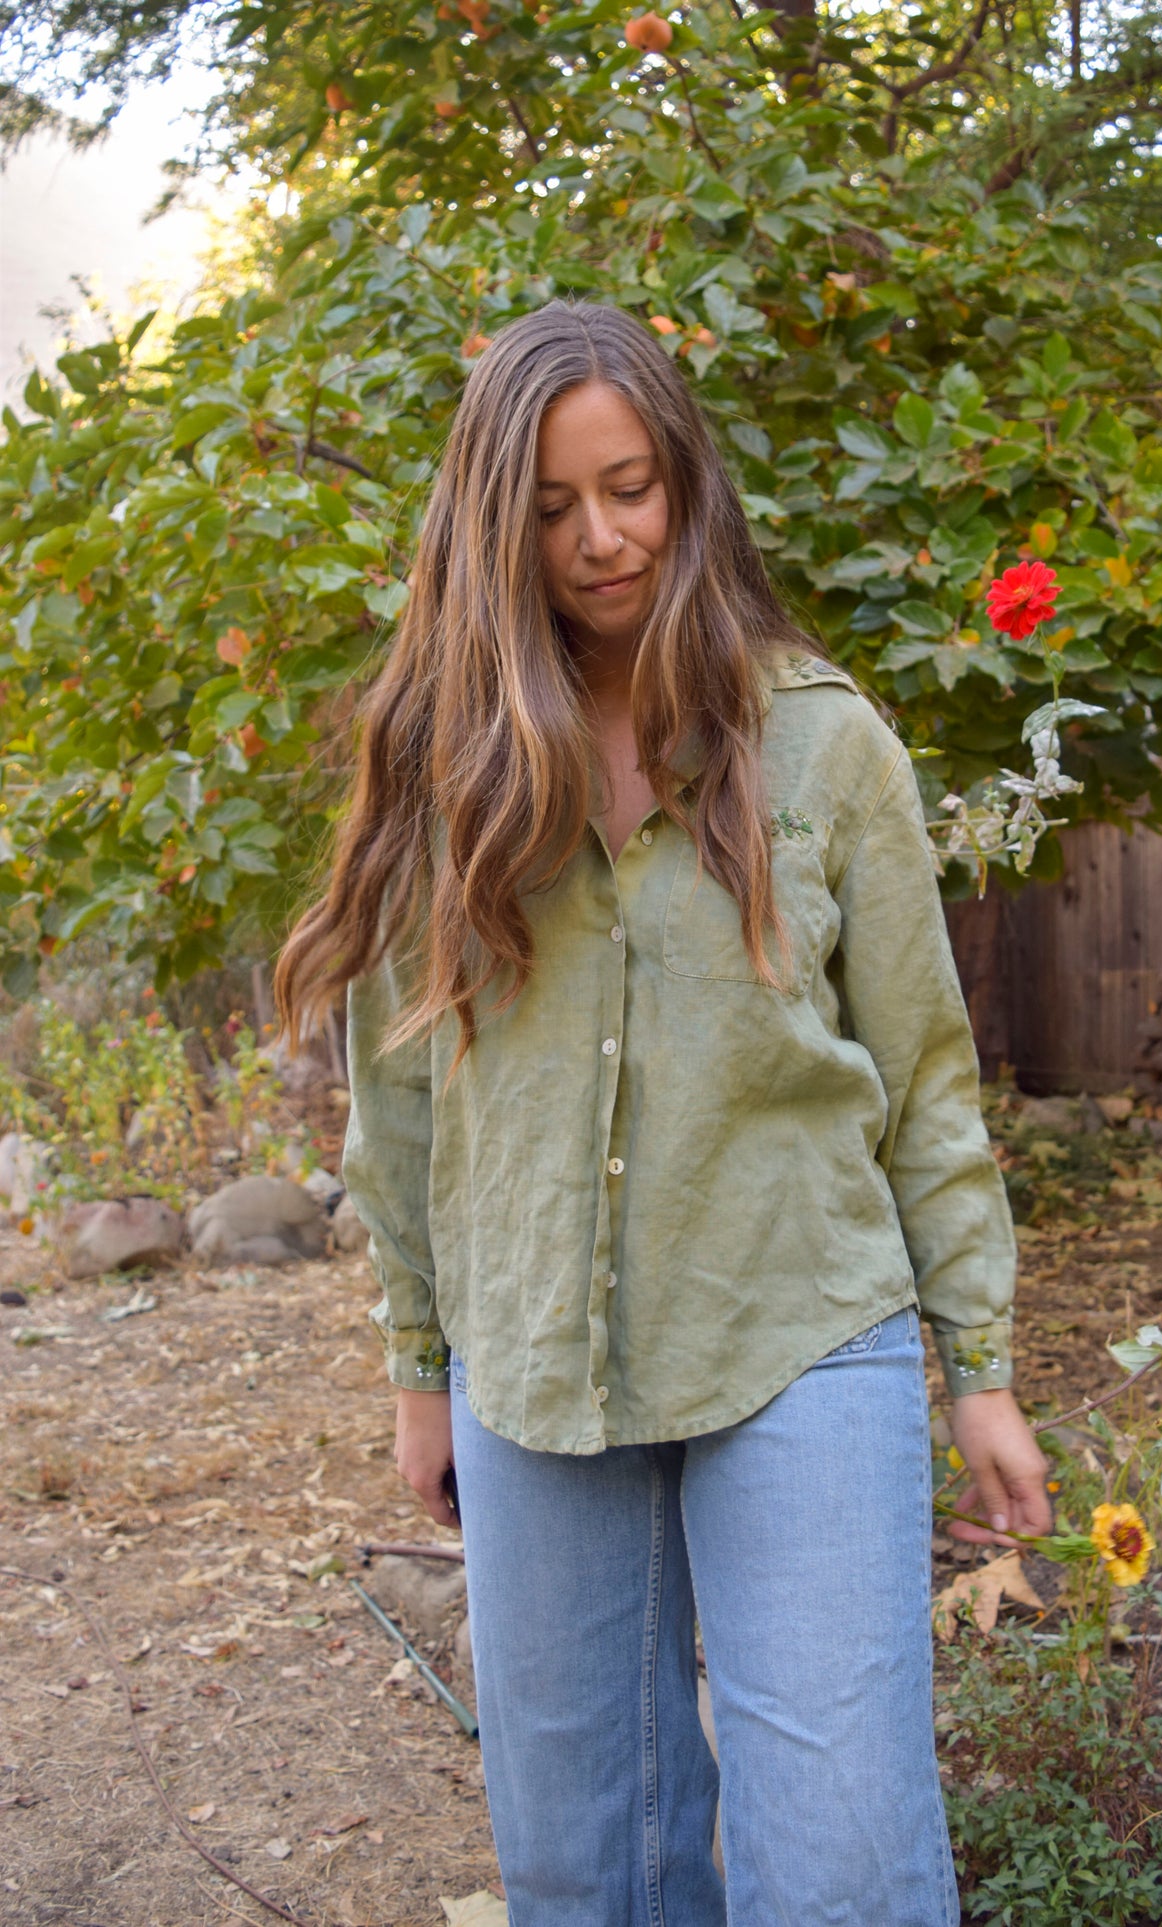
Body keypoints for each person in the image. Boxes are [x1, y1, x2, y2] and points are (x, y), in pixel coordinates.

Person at [274, 296, 1051, 1926]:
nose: (600, 538)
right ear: (499, 522)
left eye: (628, 486)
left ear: (686, 479)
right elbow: (399, 1092)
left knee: (835, 1861)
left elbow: (922, 1080)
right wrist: (421, 1370)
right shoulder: (450, 762)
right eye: (552, 507)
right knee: (583, 1861)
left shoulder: (826, 750)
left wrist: (978, 1370)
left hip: (798, 1325)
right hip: (529, 1352)